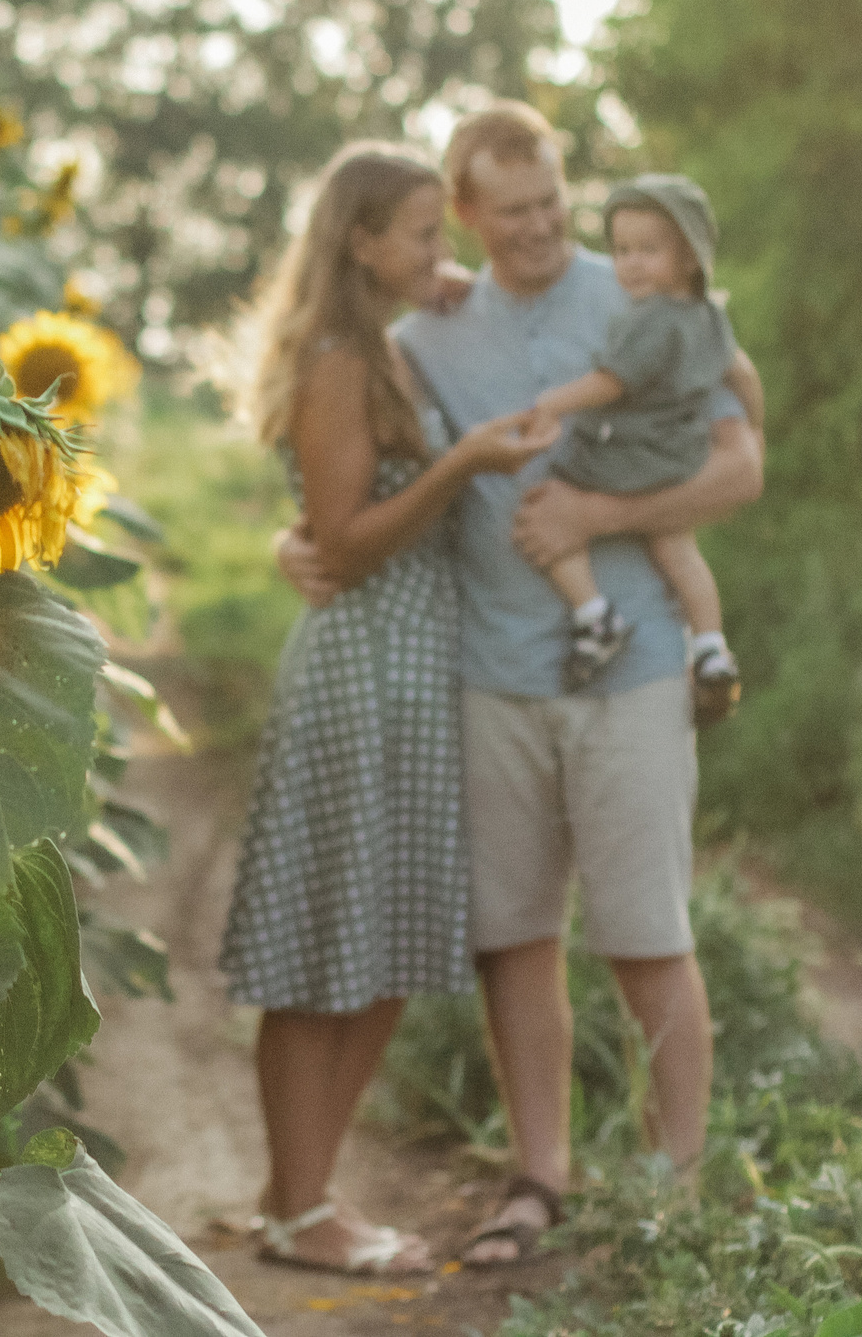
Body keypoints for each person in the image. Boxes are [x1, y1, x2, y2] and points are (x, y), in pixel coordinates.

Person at [276, 102, 764, 1267]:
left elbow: (742, 462)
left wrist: (603, 513)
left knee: (646, 932)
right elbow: (347, 484)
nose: (542, 226)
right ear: (465, 212)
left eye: (554, 200)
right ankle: (538, 1177)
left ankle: (673, 1188)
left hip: (635, 662)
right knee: (515, 938)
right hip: (487, 675)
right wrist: (287, 550)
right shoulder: (425, 335)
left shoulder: (645, 297)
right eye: (516, 209)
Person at [220, 143, 548, 1276]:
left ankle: (293, 1199)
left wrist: (446, 290)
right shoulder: (333, 363)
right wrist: (459, 466)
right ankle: (303, 1211)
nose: (439, 252)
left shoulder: (384, 348)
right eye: (420, 234)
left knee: (387, 948)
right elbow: (345, 548)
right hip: (362, 675)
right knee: (325, 954)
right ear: (360, 241)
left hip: (410, 681)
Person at [523, 174, 757, 717]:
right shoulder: (710, 314)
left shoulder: (652, 319)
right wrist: (756, 421)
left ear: (689, 258)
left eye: (648, 251)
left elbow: (612, 383)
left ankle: (593, 613)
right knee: (677, 547)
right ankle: (710, 646)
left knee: (548, 502)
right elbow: (741, 376)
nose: (629, 264)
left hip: (631, 452)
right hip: (680, 453)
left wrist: (554, 402)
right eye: (622, 250)